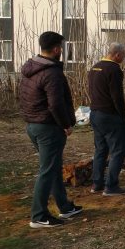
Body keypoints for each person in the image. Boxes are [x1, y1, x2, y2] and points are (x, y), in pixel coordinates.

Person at [21, 31, 82, 228]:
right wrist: (66, 125)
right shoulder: (51, 72)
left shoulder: (31, 68)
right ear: (56, 49)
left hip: (34, 125)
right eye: (62, 48)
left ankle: (65, 207)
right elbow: (55, 104)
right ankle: (39, 216)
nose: (62, 51)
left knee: (54, 167)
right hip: (49, 128)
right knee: (47, 171)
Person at [88, 42, 125, 197]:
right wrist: (123, 116)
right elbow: (117, 97)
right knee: (118, 150)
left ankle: (97, 183)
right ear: (117, 55)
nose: (124, 57)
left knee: (100, 150)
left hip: (95, 113)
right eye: (124, 55)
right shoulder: (114, 69)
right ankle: (110, 186)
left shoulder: (95, 67)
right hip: (109, 115)